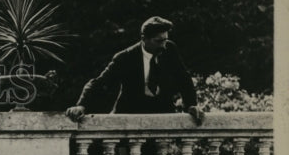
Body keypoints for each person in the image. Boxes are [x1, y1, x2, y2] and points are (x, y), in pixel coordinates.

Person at [65, 16, 204, 125]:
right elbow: (100, 83)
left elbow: (184, 79)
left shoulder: (170, 49)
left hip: (160, 118)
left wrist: (192, 105)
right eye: (158, 41)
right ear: (144, 39)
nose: (164, 46)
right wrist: (81, 106)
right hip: (128, 119)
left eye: (165, 40)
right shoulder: (125, 58)